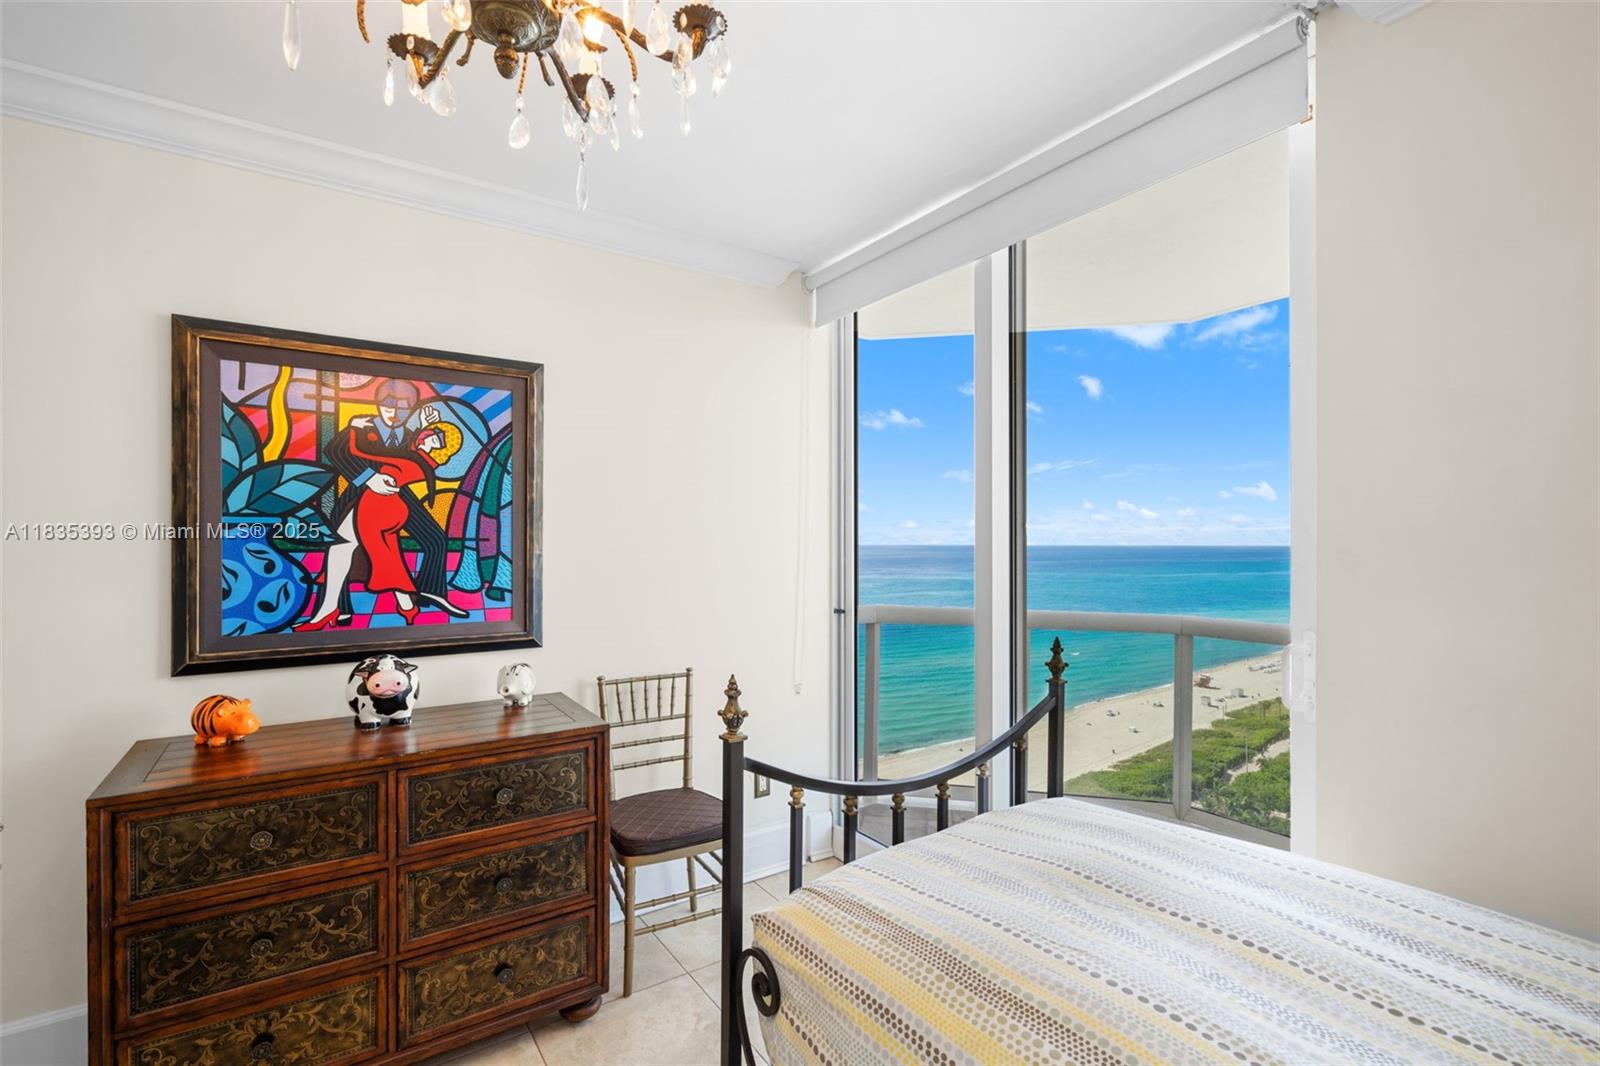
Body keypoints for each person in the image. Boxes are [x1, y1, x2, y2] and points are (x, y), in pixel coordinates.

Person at [296, 379, 467, 630]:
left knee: (435, 539)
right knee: (343, 544)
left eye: (403, 409)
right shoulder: (362, 426)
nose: (394, 414)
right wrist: (369, 478)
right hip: (361, 492)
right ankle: (341, 607)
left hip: (398, 495)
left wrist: (423, 428)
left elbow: (409, 458)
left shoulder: (408, 433)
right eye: (388, 407)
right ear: (378, 405)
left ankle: (428, 592)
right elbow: (335, 452)